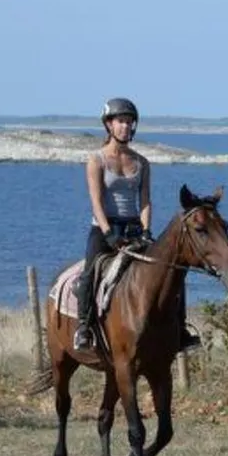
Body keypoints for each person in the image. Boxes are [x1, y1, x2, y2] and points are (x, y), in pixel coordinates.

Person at [74, 98, 153, 351]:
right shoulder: (96, 160)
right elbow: (96, 201)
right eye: (121, 122)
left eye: (130, 122)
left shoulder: (142, 163)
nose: (126, 127)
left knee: (164, 268)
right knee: (90, 273)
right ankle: (84, 327)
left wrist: (146, 230)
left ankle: (179, 328)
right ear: (109, 125)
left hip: (133, 228)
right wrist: (108, 233)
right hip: (104, 228)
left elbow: (145, 201)